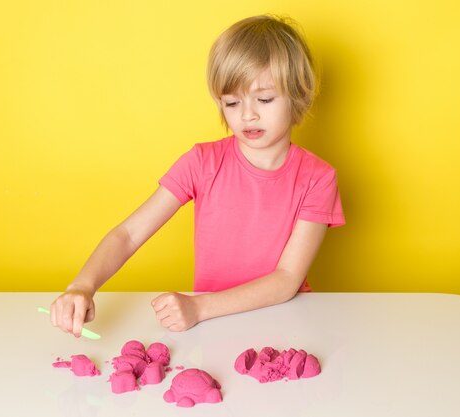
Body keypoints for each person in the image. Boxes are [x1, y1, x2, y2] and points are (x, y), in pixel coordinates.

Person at [51, 14, 345, 336]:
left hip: (284, 321)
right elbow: (129, 234)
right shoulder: (202, 162)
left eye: (264, 99)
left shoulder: (319, 178)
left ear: (299, 93)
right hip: (211, 325)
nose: (248, 114)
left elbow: (287, 278)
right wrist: (82, 285)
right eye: (232, 103)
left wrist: (198, 307)